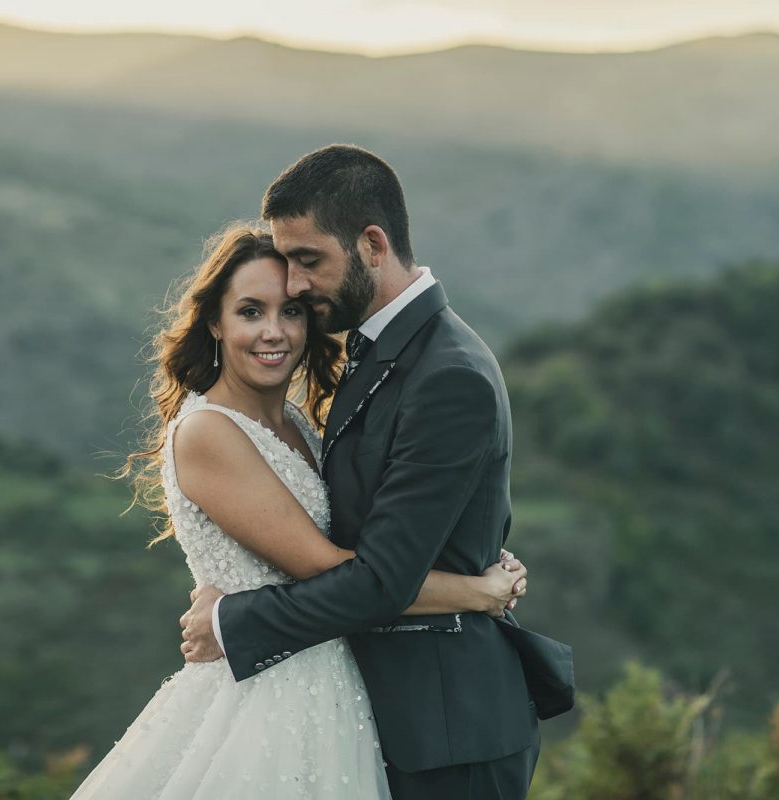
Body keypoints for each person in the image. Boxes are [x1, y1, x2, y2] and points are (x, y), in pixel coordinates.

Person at [70, 225, 527, 799]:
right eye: (250, 311)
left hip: (339, 688)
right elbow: (331, 568)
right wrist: (476, 591)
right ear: (215, 322)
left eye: (291, 312)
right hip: (266, 698)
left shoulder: (300, 426)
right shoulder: (209, 430)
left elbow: (371, 542)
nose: (273, 332)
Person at [179, 145, 544, 799]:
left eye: (308, 263)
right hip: (377, 713)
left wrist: (237, 617)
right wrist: (472, 583)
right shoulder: (379, 351)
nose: (293, 287)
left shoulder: (447, 374)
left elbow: (379, 578)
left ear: (372, 244)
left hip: (448, 729)